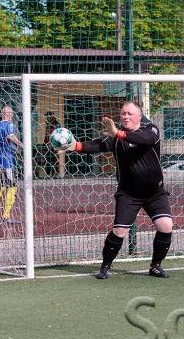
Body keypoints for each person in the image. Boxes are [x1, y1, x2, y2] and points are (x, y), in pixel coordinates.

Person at [61, 100, 173, 279]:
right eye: (123, 114)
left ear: (139, 116)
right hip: (129, 194)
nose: (125, 116)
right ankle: (105, 266)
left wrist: (118, 133)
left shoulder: (151, 129)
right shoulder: (115, 136)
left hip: (155, 193)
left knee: (165, 225)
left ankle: (155, 266)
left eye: (129, 113)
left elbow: (145, 140)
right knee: (119, 231)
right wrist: (76, 146)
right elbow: (97, 145)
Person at [0, 106, 23, 224]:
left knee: (0, 185)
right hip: (7, 160)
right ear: (7, 114)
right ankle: (5, 216)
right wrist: (23, 146)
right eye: (12, 113)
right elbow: (11, 137)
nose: (13, 115)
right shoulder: (9, 125)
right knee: (12, 186)